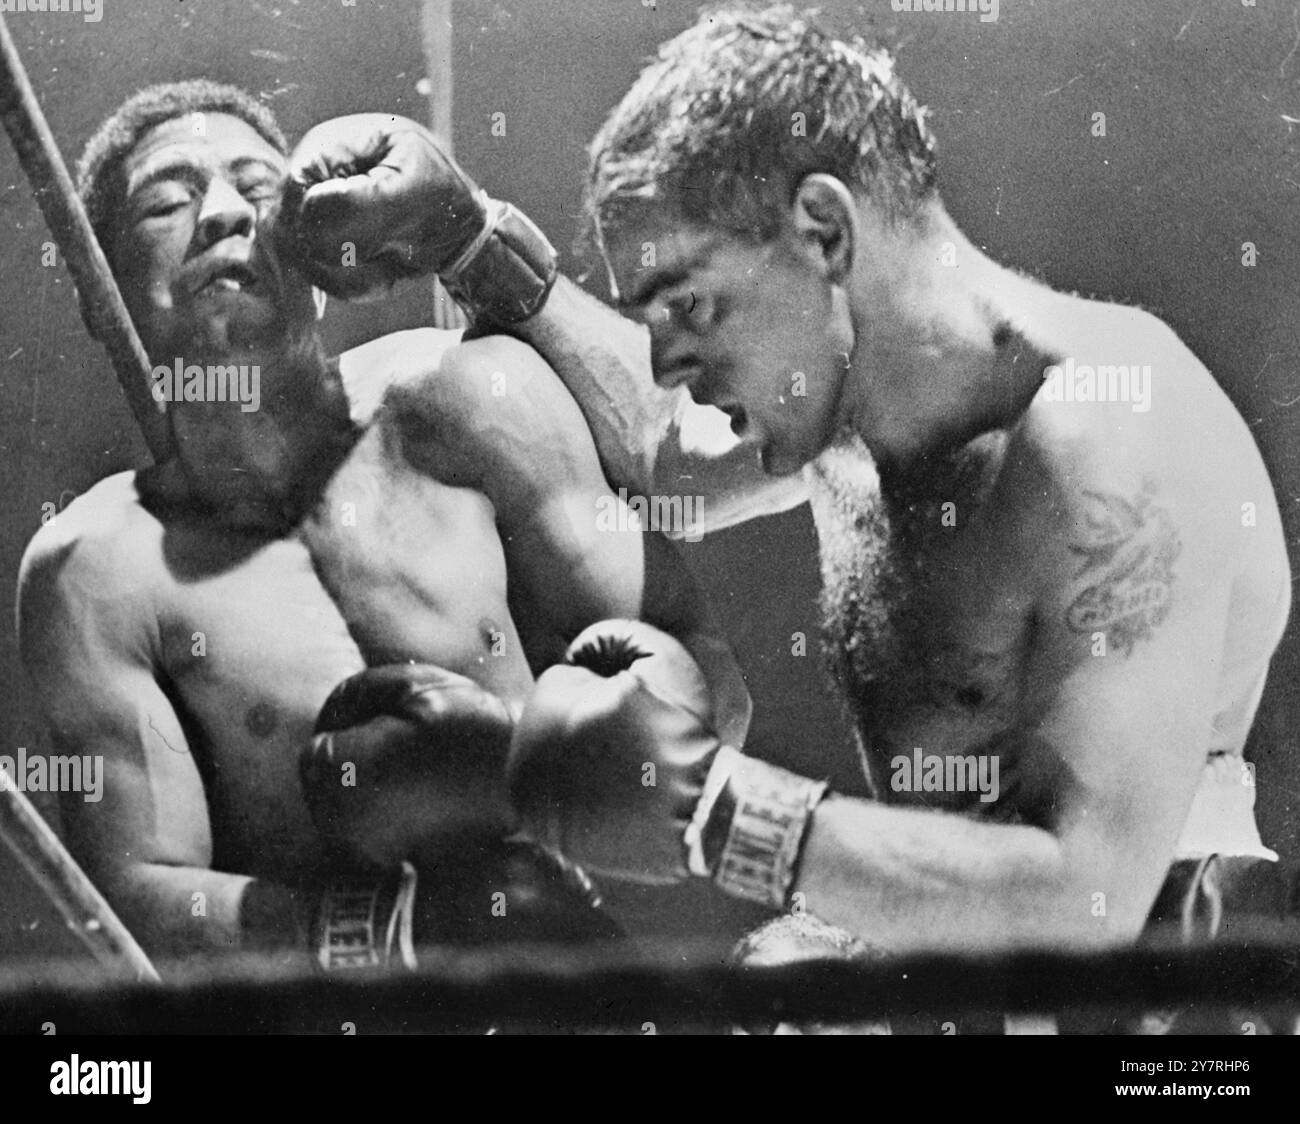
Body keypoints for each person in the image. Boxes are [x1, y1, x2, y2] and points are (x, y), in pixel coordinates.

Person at [279, 2, 1290, 971]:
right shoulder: (839, 415)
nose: (668, 361)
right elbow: (657, 451)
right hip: (977, 989)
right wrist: (469, 239)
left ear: (821, 230)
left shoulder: (1106, 436)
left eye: (689, 304)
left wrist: (710, 806)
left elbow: (1091, 902)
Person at [15, 80, 750, 978]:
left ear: (319, 257)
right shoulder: (93, 567)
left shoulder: (470, 400)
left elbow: (707, 674)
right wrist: (401, 928)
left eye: (257, 188)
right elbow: (138, 898)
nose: (219, 215)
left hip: (587, 984)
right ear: (105, 296)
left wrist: (565, 767)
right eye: (166, 203)